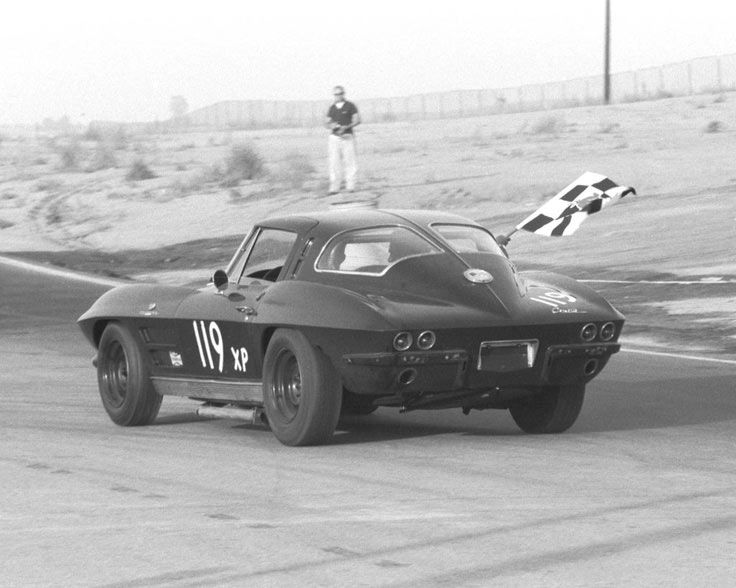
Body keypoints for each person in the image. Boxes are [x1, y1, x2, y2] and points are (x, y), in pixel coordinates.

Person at [325, 86, 361, 195]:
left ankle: (351, 186)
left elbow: (357, 120)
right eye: (336, 94)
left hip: (347, 136)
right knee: (334, 162)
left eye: (340, 94)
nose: (338, 96)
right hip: (335, 137)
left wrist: (347, 127)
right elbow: (326, 122)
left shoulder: (350, 106)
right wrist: (332, 125)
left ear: (343, 94)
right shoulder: (332, 108)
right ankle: (334, 187)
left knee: (350, 161)